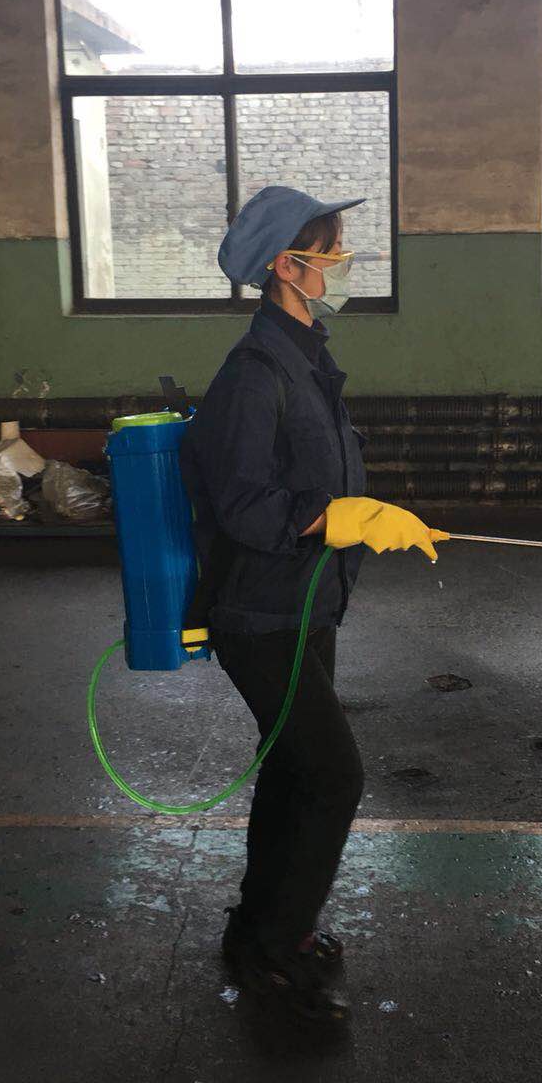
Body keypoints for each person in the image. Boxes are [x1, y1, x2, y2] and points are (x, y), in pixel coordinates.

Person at [181, 185, 447, 1025]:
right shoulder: (255, 372)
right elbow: (244, 504)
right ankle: (278, 949)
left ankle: (258, 926)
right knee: (334, 776)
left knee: (294, 769)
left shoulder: (304, 356)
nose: (341, 263)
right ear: (284, 266)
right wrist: (333, 518)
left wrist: (367, 515)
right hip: (260, 615)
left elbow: (318, 477)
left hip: (305, 603)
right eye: (329, 251)